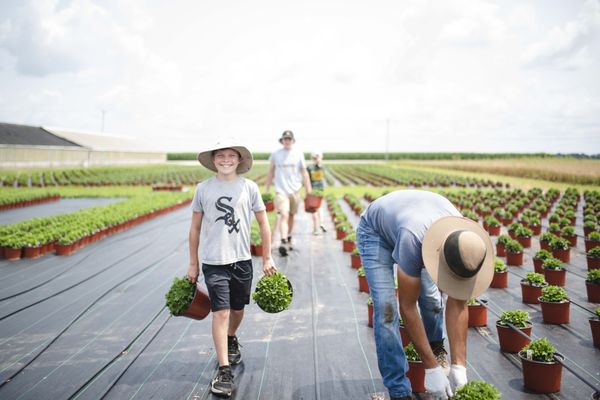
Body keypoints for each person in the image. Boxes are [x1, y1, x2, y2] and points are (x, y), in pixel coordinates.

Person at [356, 190, 493, 400]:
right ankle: (399, 389)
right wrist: (430, 369)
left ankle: (437, 347)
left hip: (416, 224)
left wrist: (460, 366)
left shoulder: (466, 242)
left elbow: (459, 304)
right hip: (376, 232)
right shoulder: (414, 240)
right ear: (439, 256)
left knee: (431, 299)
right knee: (386, 311)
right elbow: (407, 306)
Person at [187, 138, 276, 398]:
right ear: (213, 160)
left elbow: (264, 224)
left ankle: (231, 337)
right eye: (220, 156)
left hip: (242, 261)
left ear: (239, 160)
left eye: (231, 156)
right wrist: (193, 263)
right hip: (214, 262)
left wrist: (267, 257)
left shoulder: (249, 187)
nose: (225, 160)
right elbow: (194, 228)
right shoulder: (203, 189)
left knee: (237, 310)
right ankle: (225, 370)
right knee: (221, 312)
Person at [264, 130, 312, 256]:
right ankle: (283, 240)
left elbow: (304, 172)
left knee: (291, 215)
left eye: (289, 139)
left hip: (295, 190)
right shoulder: (276, 154)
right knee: (283, 215)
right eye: (285, 139)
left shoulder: (298, 154)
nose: (287, 141)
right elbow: (271, 171)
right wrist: (267, 190)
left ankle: (289, 237)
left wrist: (309, 190)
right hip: (281, 191)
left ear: (292, 140)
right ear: (282, 140)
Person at [306, 151, 327, 235]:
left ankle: (315, 229)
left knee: (314, 209)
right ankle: (321, 223)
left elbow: (307, 180)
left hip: (314, 190)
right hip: (319, 190)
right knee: (319, 207)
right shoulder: (322, 167)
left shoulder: (310, 168)